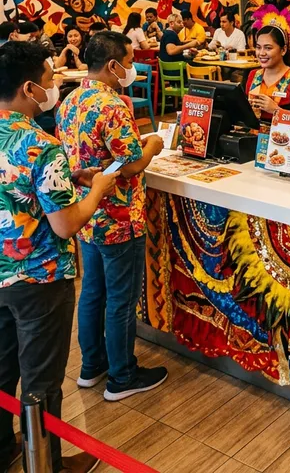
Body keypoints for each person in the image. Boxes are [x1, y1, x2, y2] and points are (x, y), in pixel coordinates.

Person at [0, 41, 116, 473]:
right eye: (49, 80)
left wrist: (69, 178)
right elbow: (66, 224)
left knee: (2, 367)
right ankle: (46, 464)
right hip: (39, 278)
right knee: (41, 378)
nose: (53, 88)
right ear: (29, 88)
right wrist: (97, 189)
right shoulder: (40, 144)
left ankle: (4, 448)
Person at [56, 31, 167, 402]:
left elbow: (95, 156)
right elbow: (131, 164)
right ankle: (122, 376)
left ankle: (92, 366)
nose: (132, 68)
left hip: (86, 213)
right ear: (114, 65)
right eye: (130, 61)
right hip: (119, 216)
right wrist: (153, 145)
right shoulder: (113, 105)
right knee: (120, 299)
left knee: (92, 292)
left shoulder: (70, 100)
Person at [245, 26, 290, 125]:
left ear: (283, 50)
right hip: (251, 132)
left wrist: (276, 110)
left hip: (283, 133)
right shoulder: (252, 75)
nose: (261, 53)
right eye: (258, 47)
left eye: (268, 48)